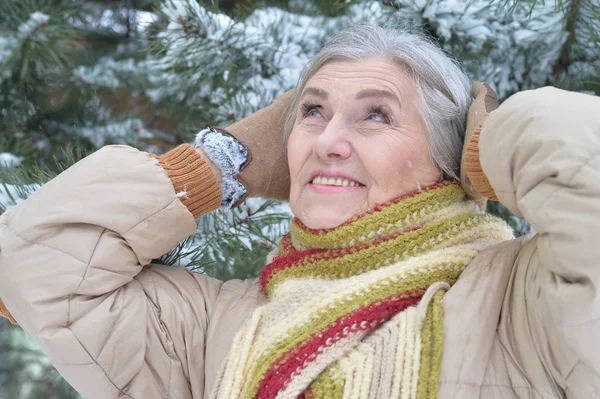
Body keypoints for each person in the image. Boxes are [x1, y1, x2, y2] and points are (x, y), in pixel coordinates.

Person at [0, 24, 599, 399]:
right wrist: (217, 163)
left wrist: (492, 147)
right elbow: (35, 268)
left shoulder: (522, 302)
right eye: (312, 112)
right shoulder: (214, 328)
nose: (326, 140)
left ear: (451, 157)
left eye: (375, 115)